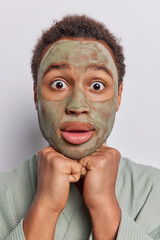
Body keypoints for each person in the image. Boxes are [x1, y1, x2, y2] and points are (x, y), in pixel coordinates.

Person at [0, 14, 160, 240]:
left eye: (96, 85)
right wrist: (45, 207)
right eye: (59, 84)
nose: (77, 106)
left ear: (118, 96)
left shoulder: (155, 191)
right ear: (36, 96)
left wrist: (105, 207)